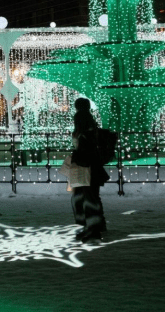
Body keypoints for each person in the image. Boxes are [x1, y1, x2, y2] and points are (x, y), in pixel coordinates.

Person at [69, 97, 109, 243]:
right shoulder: (92, 125)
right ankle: (97, 225)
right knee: (91, 195)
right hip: (92, 165)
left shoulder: (82, 127)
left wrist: (76, 140)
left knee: (87, 196)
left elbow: (80, 148)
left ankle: (93, 229)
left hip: (85, 165)